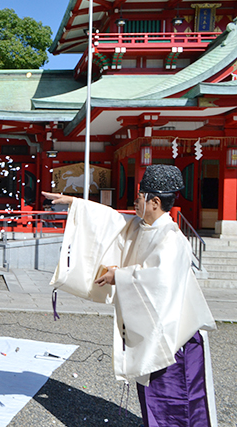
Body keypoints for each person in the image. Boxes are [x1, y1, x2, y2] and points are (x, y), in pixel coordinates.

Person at [42, 164, 217, 427]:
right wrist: (75, 204)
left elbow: (160, 283)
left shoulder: (172, 239)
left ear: (155, 202)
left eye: (140, 196)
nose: (135, 201)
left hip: (174, 340)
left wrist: (120, 276)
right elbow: (110, 221)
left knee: (177, 404)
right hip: (153, 333)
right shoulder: (141, 226)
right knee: (154, 401)